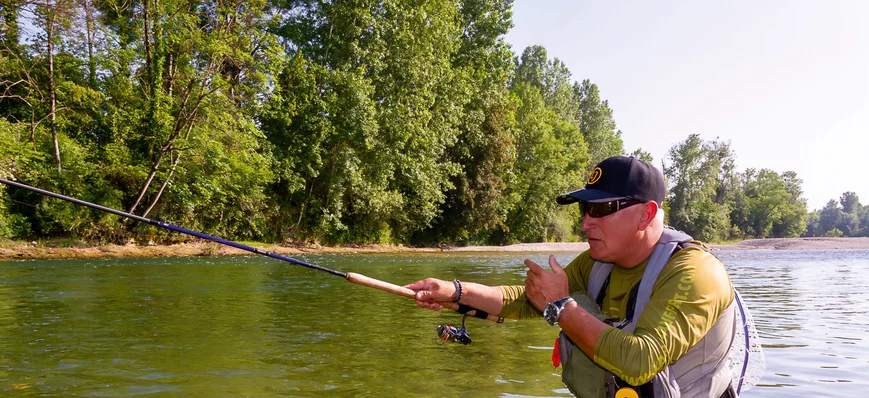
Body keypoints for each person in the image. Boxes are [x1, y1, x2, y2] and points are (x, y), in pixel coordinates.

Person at [406, 156, 737, 398]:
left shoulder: (697, 273)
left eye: (600, 209)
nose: (584, 223)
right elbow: (526, 300)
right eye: (583, 210)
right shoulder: (597, 262)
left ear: (645, 214)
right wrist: (453, 291)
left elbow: (641, 360)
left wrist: (562, 307)